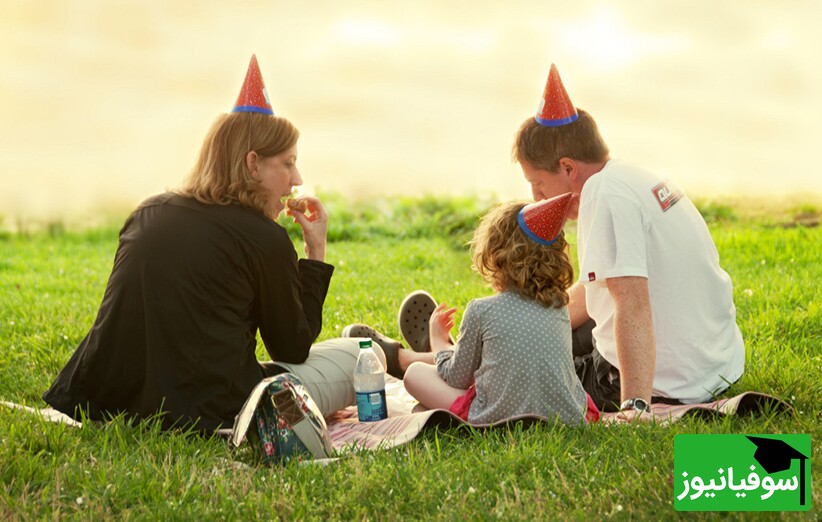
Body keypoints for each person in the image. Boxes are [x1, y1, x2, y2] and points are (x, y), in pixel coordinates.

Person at [42, 55, 383, 432]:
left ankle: (413, 353)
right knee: (358, 357)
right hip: (211, 408)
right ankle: (407, 357)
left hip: (106, 401)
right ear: (252, 164)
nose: (296, 179)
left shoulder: (147, 212)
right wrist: (315, 254)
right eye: (287, 163)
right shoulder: (265, 239)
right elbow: (292, 349)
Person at [511, 64, 745, 419]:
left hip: (666, 381)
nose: (537, 198)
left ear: (568, 167)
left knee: (517, 368)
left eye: (539, 184)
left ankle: (426, 359)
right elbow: (597, 292)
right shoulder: (633, 177)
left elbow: (632, 303)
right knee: (536, 332)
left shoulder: (604, 196)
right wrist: (521, 316)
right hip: (714, 365)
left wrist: (635, 406)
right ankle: (448, 350)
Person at [349, 196, 600, 425]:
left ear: (495, 253)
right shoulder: (558, 308)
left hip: (496, 418)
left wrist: (438, 343)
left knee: (414, 375)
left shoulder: (481, 309)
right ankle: (452, 350)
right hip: (565, 416)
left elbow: (457, 379)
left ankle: (441, 350)